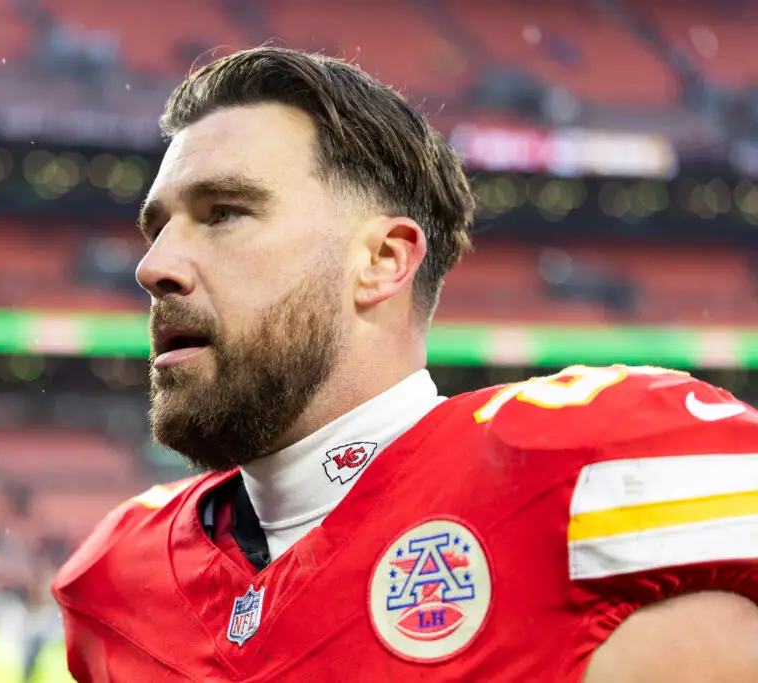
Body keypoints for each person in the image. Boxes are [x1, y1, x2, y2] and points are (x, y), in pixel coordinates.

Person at [52, 46, 758, 682]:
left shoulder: (577, 470)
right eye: (158, 228)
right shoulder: (115, 580)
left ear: (381, 261)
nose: (154, 266)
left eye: (224, 213)